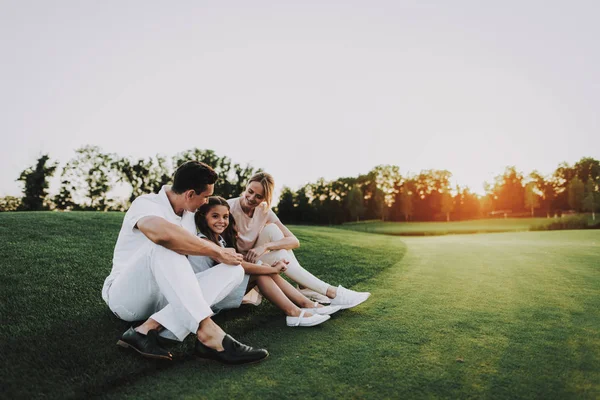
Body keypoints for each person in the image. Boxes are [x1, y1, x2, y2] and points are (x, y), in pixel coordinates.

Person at [101, 161, 268, 365]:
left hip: (168, 297)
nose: (205, 202)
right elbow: (161, 234)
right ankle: (208, 334)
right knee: (165, 244)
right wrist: (218, 251)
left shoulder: (189, 215)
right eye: (205, 197)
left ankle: (148, 328)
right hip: (127, 298)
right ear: (189, 194)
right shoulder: (147, 203)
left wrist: (225, 253)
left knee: (234, 271)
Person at [188, 196, 341, 327]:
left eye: (225, 216)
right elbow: (240, 266)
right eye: (215, 216)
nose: (221, 221)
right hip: (208, 298)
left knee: (262, 269)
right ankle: (295, 311)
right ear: (203, 217)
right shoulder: (204, 241)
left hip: (219, 289)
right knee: (261, 273)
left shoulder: (219, 239)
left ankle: (305, 304)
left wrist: (269, 269)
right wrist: (273, 270)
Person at [227, 172, 371, 308]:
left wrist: (265, 246)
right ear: (246, 186)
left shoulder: (264, 210)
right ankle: (331, 292)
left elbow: (294, 241)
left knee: (273, 230)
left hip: (255, 256)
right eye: (250, 191)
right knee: (281, 254)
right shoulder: (228, 207)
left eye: (259, 196)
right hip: (241, 263)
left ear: (265, 198)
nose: (252, 198)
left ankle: (306, 287)